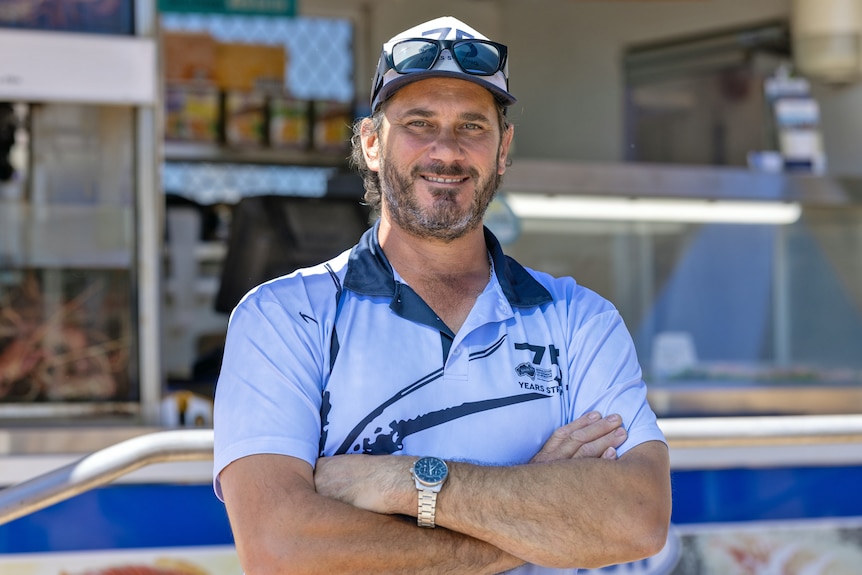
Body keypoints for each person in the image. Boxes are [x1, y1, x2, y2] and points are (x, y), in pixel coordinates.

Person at [213, 15, 671, 575]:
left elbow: (639, 519)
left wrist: (404, 480)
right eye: (420, 123)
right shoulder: (285, 316)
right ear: (373, 144)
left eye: (473, 127)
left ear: (503, 149)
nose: (446, 151)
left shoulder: (581, 321)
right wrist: (537, 514)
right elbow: (280, 547)